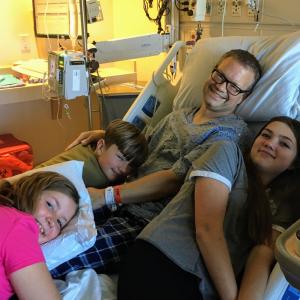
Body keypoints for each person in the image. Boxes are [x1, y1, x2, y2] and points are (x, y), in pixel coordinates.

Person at [50, 49, 262, 278]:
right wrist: (107, 136)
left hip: (145, 221)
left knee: (52, 263)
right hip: (116, 205)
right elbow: (144, 149)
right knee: (40, 228)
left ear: (244, 96)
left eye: (234, 87)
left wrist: (107, 195)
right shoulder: (176, 116)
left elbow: (173, 179)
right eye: (220, 76)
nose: (221, 86)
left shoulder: (230, 135)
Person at [117, 116, 300, 300]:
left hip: (204, 289)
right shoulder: (227, 153)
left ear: (294, 162)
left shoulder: (280, 207)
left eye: (284, 144)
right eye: (266, 135)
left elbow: (260, 259)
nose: (269, 143)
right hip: (161, 263)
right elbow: (207, 230)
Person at [0, 171, 80, 300]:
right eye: (50, 205)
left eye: (60, 222)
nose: (52, 220)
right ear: (30, 191)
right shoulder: (19, 225)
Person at [37, 119, 148, 188]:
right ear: (100, 146)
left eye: (131, 166)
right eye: (120, 157)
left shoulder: (96, 149)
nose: (124, 169)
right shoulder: (94, 176)